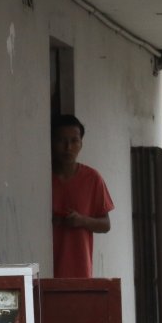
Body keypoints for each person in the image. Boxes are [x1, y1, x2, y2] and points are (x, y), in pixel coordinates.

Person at [51, 114, 113, 278]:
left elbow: (106, 224)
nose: (68, 147)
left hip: (80, 271)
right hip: (43, 269)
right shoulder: (40, 179)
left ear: (81, 144)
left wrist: (82, 220)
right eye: (61, 141)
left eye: (74, 141)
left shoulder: (92, 179)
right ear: (51, 142)